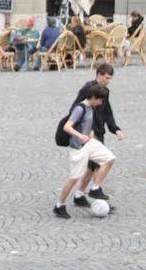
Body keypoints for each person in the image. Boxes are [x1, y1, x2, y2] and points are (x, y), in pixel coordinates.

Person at [54, 85, 114, 218]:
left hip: (89, 144)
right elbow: (67, 127)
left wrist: (91, 133)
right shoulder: (79, 108)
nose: (101, 103)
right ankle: (59, 205)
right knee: (73, 179)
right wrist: (80, 136)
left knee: (109, 159)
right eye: (100, 100)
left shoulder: (91, 107)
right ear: (93, 97)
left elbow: (87, 125)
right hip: (78, 148)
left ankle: (95, 188)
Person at [72, 61, 126, 203]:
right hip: (89, 133)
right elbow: (76, 108)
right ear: (99, 75)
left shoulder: (105, 91)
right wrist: (84, 131)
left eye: (110, 78)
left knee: (92, 165)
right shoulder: (87, 89)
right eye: (107, 78)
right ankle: (96, 192)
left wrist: (115, 128)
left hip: (99, 131)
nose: (109, 81)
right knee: (102, 161)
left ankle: (79, 195)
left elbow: (107, 111)